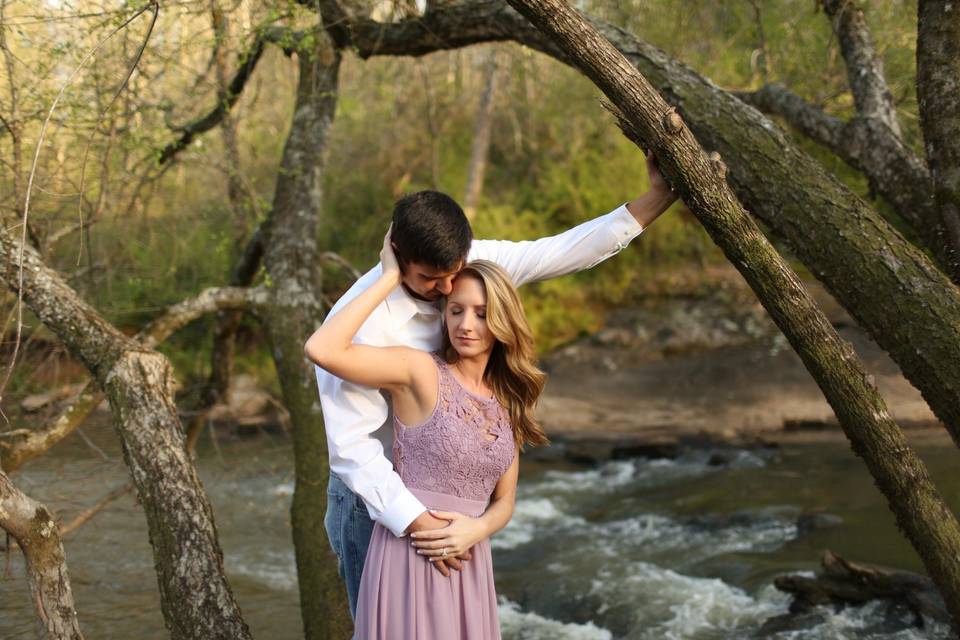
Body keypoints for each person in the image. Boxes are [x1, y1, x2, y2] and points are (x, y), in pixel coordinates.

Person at [310, 154, 677, 620]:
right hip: (375, 501)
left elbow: (562, 250)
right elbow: (351, 449)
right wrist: (417, 522)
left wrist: (658, 197)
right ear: (398, 256)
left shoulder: (472, 269)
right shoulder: (362, 322)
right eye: (429, 280)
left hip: (456, 509)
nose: (447, 291)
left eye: (455, 274)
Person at [306, 242, 544, 638]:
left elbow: (505, 500)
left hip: (469, 559)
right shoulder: (419, 371)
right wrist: (388, 279)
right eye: (456, 310)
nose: (466, 324)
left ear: (504, 321)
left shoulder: (508, 399)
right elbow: (322, 348)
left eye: (482, 314)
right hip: (409, 556)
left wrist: (477, 529)